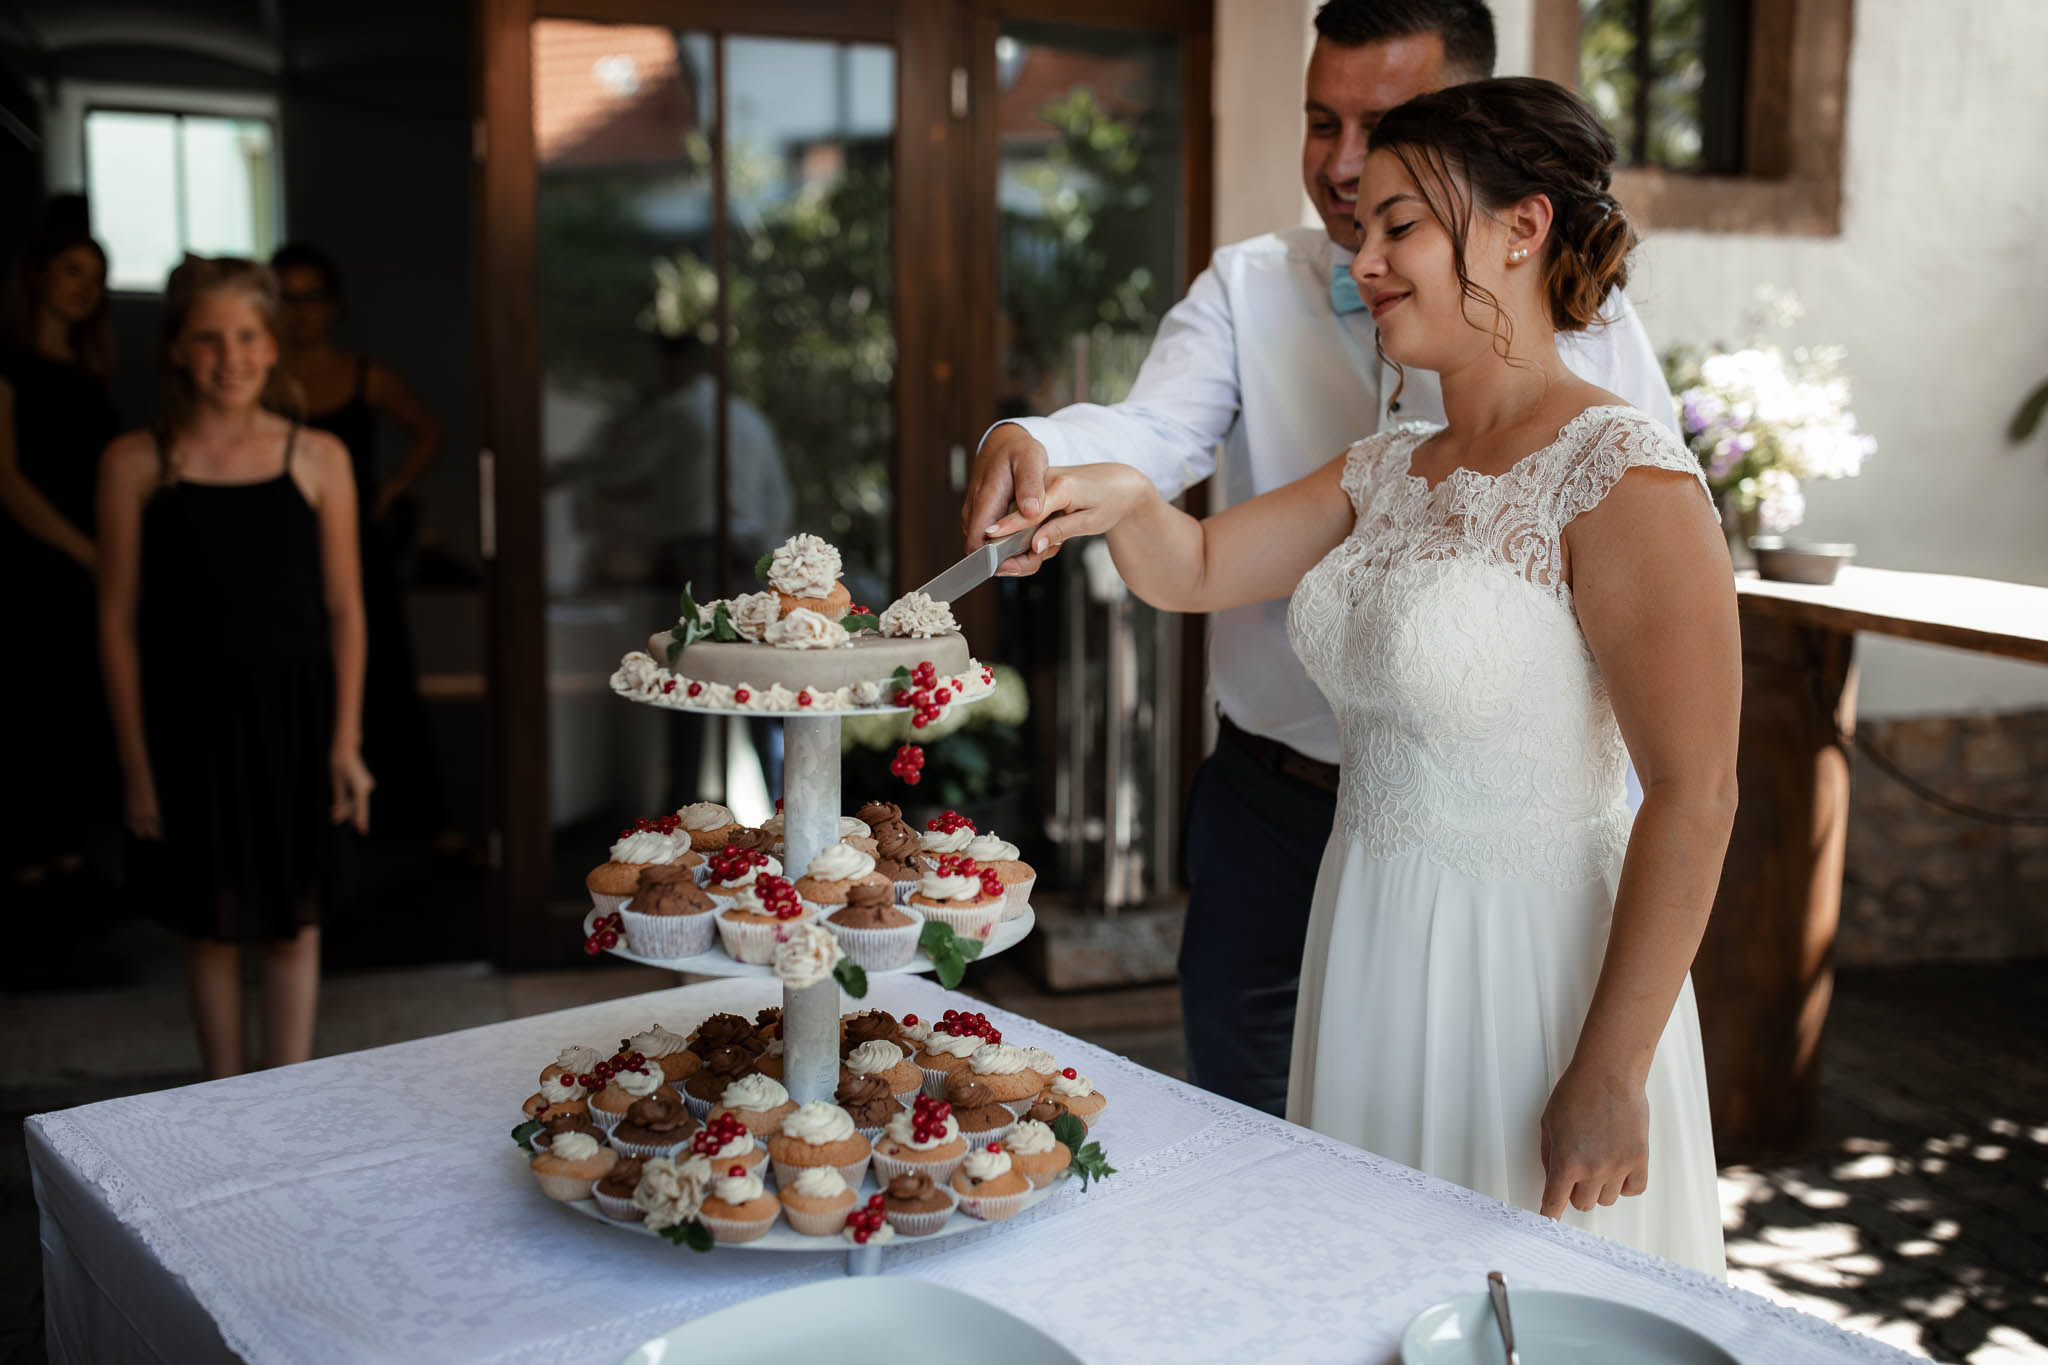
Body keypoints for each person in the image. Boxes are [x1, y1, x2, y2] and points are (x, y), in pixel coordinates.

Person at [986, 77, 1734, 1272]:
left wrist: (1608, 1068)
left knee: (1519, 1303)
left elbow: (1695, 797)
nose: (1366, 258)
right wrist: (1114, 494)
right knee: (1360, 1281)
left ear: (1519, 227)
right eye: (1364, 227)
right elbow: (1192, 566)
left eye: (1401, 227)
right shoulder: (1387, 465)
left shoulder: (1624, 477)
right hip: (1367, 940)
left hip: (1522, 974)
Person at [98, 257, 372, 1078]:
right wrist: (136, 763)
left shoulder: (318, 456)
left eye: (248, 336)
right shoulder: (135, 463)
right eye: (208, 338)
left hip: (294, 720)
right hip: (189, 725)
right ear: (177, 350)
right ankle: (221, 1098)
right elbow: (114, 621)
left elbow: (346, 611)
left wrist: (346, 742)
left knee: (294, 921)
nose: (231, 356)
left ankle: (282, 1101)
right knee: (210, 927)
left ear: (273, 345)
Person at [271, 241, 446, 839]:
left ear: (333, 305)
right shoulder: (263, 382)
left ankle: (409, 818)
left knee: (383, 671)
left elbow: (427, 432)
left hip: (356, 547)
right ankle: (309, 810)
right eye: (285, 299)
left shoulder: (365, 376)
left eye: (310, 298)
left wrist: (390, 489)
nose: (299, 312)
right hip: (286, 553)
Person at [0, 222, 122, 885]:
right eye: (75, 270)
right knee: (28, 697)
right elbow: (7, 480)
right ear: (40, 275)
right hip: (29, 562)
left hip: (86, 560)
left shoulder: (90, 374)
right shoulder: (8, 364)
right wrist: (85, 551)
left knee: (77, 698)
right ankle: (26, 853)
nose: (86, 288)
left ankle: (69, 847)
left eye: (97, 278)